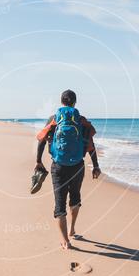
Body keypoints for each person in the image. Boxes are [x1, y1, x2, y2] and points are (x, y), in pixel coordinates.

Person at [35, 89, 101, 250]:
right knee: (75, 197)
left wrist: (38, 161)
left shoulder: (54, 119)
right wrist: (96, 166)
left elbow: (42, 140)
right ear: (75, 103)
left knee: (59, 203)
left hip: (58, 166)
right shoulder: (81, 120)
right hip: (78, 166)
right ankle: (72, 228)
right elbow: (90, 145)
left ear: (62, 102)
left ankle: (65, 241)